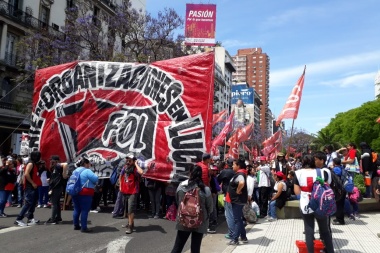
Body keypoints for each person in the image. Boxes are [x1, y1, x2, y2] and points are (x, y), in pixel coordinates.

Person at [294, 153, 334, 253]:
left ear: (303, 162)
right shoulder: (322, 171)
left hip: (305, 204)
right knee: (325, 231)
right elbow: (327, 186)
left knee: (309, 231)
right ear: (313, 161)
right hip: (320, 204)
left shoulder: (298, 173)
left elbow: (296, 192)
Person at [171, 165, 213, 253]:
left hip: (184, 219)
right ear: (201, 175)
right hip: (200, 221)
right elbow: (210, 208)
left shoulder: (181, 187)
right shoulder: (205, 189)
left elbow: (178, 200)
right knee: (195, 248)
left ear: (190, 173)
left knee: (178, 246)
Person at [14, 151, 43, 226]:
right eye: (38, 156)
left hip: (35, 186)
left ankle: (30, 217)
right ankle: (19, 219)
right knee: (28, 203)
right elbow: (26, 174)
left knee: (33, 203)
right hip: (30, 187)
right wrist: (32, 183)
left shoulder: (35, 164)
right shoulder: (30, 164)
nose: (40, 158)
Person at [71, 157, 98, 232]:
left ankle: (76, 225)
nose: (89, 165)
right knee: (85, 210)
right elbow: (96, 179)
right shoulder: (87, 171)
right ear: (85, 164)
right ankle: (84, 227)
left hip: (75, 191)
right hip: (85, 192)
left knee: (76, 209)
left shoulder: (75, 170)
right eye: (89, 163)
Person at [225, 159, 249, 245]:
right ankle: (243, 237)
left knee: (237, 220)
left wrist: (238, 190)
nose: (232, 166)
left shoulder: (240, 174)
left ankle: (235, 239)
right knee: (239, 219)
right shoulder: (239, 174)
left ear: (238, 166)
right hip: (236, 200)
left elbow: (241, 183)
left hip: (237, 200)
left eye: (234, 164)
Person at [119, 153, 144, 234]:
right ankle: (130, 223)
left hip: (133, 191)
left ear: (133, 161)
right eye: (127, 160)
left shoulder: (135, 169)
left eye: (130, 160)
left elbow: (141, 172)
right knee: (127, 209)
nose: (128, 161)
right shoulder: (125, 167)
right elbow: (120, 175)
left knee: (130, 210)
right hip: (125, 190)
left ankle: (130, 227)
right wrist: (120, 186)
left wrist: (136, 164)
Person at [45, 155, 68, 225]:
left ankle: (53, 219)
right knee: (57, 203)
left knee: (54, 203)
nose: (50, 161)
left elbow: (65, 164)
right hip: (56, 186)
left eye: (52, 160)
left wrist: (64, 174)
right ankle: (58, 217)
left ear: (56, 161)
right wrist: (50, 180)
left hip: (57, 187)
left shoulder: (58, 165)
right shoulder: (55, 168)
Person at [217, 158, 235, 240]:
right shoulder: (237, 172)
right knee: (234, 214)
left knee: (229, 215)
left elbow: (218, 180)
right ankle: (236, 231)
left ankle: (232, 233)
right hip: (236, 195)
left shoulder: (225, 171)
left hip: (228, 194)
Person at [331, 157, 346, 225]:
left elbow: (336, 179)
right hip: (343, 188)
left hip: (339, 189)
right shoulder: (342, 168)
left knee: (339, 204)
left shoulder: (336, 169)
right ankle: (339, 218)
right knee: (341, 204)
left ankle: (340, 220)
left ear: (334, 163)